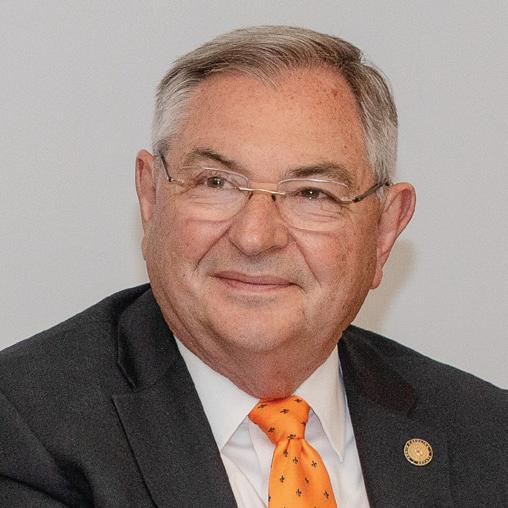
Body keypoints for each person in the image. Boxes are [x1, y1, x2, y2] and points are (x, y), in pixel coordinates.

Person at [0, 26, 505, 508]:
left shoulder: (487, 436)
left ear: (384, 230)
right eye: (216, 183)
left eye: (312, 194)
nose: (255, 237)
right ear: (150, 198)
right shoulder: (24, 429)